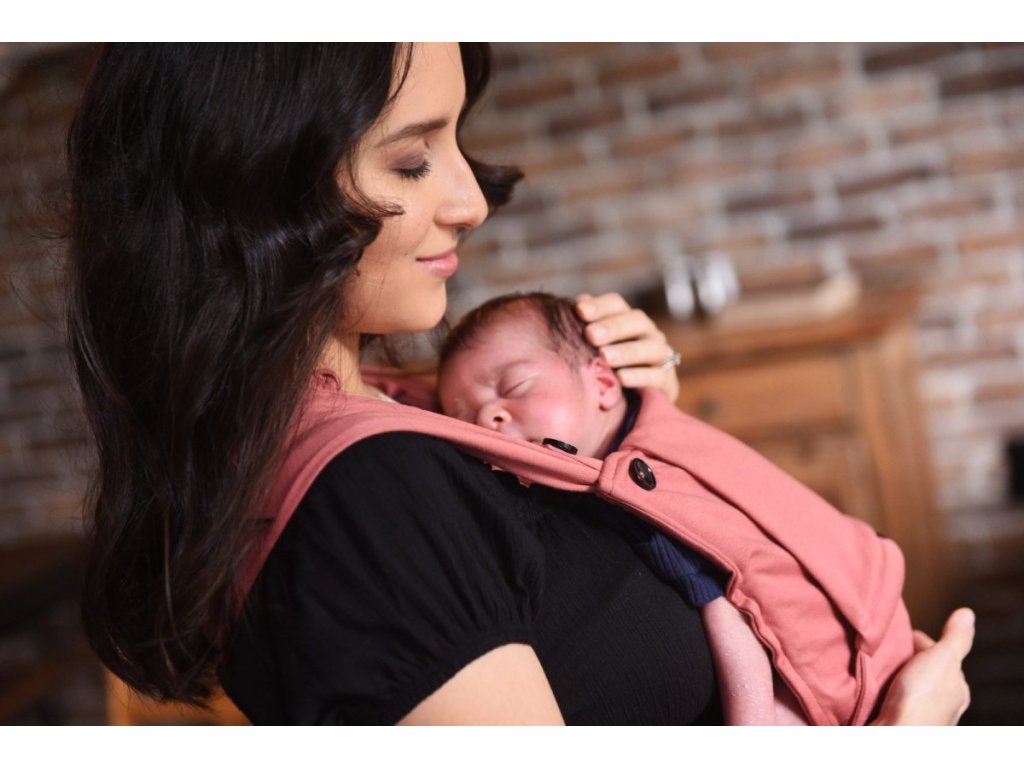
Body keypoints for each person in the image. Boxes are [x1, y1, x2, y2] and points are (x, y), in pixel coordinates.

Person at [66, 42, 974, 725]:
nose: (470, 201)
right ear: (260, 192)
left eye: (457, 141)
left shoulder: (394, 412)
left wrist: (630, 428)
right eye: (412, 160)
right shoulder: (366, 499)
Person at [435, 291, 814, 725]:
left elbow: (732, 612)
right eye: (466, 420)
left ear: (603, 383)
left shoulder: (638, 483)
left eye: (514, 387)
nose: (488, 419)